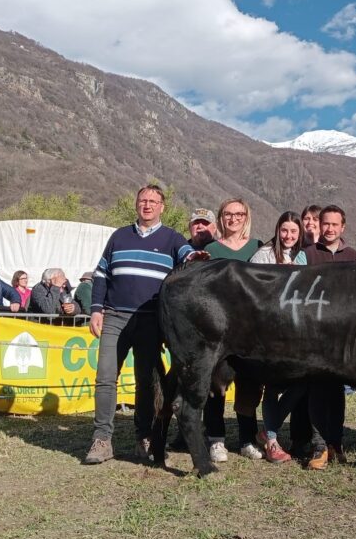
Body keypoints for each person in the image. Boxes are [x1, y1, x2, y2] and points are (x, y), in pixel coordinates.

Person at [85, 185, 207, 466]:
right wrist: (95, 310)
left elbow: (188, 255)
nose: (147, 205)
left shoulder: (172, 238)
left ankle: (144, 438)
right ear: (136, 204)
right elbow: (101, 275)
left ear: (162, 207)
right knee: (105, 377)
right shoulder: (119, 236)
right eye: (143, 200)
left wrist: (195, 257)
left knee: (145, 381)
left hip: (151, 320)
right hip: (115, 316)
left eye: (153, 201)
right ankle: (102, 440)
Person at [304, 204, 356, 470]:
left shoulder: (355, 257)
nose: (329, 229)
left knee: (337, 390)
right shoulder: (307, 256)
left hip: (344, 337)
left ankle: (335, 442)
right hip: (314, 335)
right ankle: (318, 445)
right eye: (325, 224)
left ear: (343, 227)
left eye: (334, 225)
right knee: (317, 389)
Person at [204, 198, 263, 462]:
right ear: (221, 218)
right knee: (215, 385)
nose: (233, 218)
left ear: (246, 217)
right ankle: (216, 439)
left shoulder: (258, 248)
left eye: (239, 214)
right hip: (218, 328)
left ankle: (247, 440)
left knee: (249, 386)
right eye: (228, 214)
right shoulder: (211, 250)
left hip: (250, 328)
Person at [250, 211, 308, 463]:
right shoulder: (263, 254)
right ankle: (272, 440)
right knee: (272, 385)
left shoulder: (303, 256)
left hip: (296, 330)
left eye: (293, 232)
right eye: (284, 230)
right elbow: (250, 287)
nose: (288, 236)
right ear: (277, 230)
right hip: (268, 329)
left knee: (303, 381)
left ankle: (267, 430)